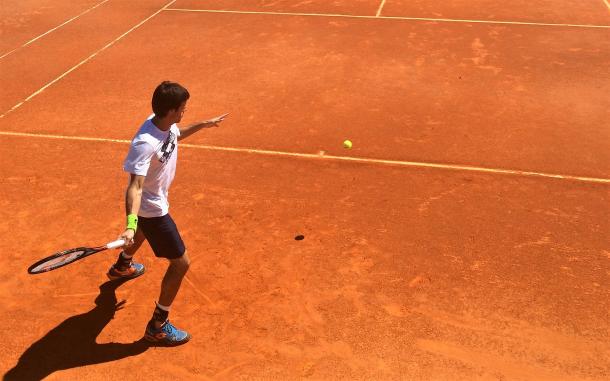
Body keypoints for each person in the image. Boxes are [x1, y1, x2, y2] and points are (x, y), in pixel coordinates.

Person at [106, 81, 227, 346]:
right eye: (183, 109)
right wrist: (130, 222)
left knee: (143, 232)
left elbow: (175, 135)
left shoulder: (161, 121)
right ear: (171, 111)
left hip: (156, 201)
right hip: (153, 209)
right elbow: (135, 186)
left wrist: (203, 124)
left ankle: (123, 266)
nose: (185, 112)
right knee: (181, 263)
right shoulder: (144, 143)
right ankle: (158, 325)